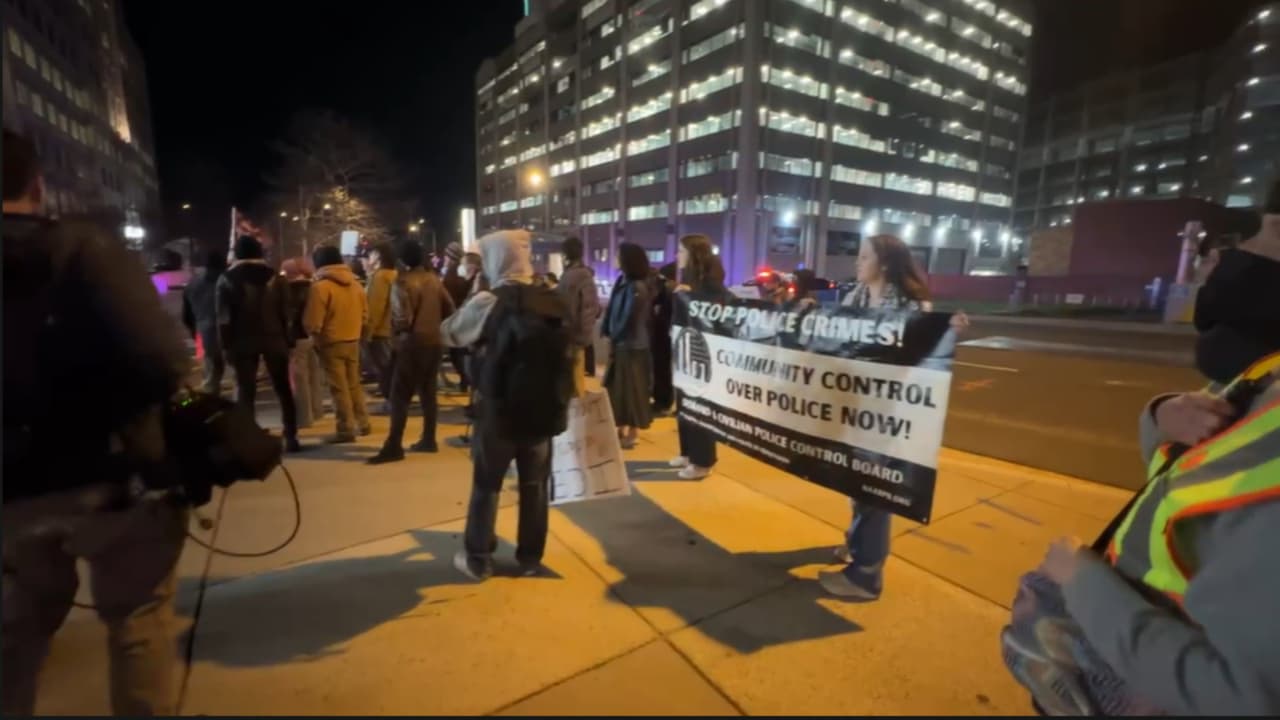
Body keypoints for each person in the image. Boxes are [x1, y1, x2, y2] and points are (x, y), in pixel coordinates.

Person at [1017, 179, 1280, 715]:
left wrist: (1083, 582)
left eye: (1270, 229)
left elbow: (1245, 697)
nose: (1240, 253)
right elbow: (1186, 471)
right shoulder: (1264, 371)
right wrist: (1161, 416)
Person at [3, 129, 192, 716]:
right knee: (138, 620)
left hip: (11, 491)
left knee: (14, 633)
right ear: (37, 186)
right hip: (112, 479)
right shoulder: (86, 250)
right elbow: (164, 360)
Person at [442, 229, 574, 580]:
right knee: (534, 486)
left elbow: (450, 332)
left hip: (498, 410)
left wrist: (474, 294)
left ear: (496, 260)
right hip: (543, 409)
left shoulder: (488, 300)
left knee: (487, 484)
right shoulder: (552, 299)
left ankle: (478, 557)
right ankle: (530, 558)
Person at [820, 234, 933, 600]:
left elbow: (920, 357)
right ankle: (858, 545)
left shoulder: (911, 306)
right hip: (853, 404)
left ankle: (867, 574)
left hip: (886, 411)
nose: (857, 261)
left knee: (873, 488)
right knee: (856, 485)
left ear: (884, 263)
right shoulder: (855, 297)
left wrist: (949, 331)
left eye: (864, 256)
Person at [368, 240, 456, 464]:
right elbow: (450, 308)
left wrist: (396, 334)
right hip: (434, 343)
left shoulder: (402, 282)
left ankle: (394, 444)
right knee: (428, 392)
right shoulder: (434, 280)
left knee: (400, 395)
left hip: (410, 345)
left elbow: (402, 319)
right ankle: (428, 438)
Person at [217, 235, 301, 453]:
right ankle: (291, 435)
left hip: (242, 341)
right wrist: (289, 341)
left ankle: (249, 440)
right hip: (275, 339)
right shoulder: (277, 278)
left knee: (246, 391)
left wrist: (226, 346)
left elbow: (224, 318)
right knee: (283, 389)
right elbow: (287, 313)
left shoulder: (226, 279)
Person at [669, 233, 728, 480]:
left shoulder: (710, 287)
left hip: (700, 357)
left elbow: (715, 316)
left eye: (681, 251)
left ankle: (703, 460)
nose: (677, 256)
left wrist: (691, 297)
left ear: (694, 255)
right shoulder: (688, 282)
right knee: (684, 405)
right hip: (683, 353)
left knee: (699, 408)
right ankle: (688, 452)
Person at [304, 244, 371, 443]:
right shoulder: (356, 284)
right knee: (353, 384)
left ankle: (345, 429)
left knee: (338, 388)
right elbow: (365, 315)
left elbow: (313, 321)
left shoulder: (320, 288)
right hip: (353, 339)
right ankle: (363, 422)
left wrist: (312, 334)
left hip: (330, 342)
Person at [602, 243, 655, 450]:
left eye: (618, 255)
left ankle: (633, 431)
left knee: (632, 391)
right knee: (618, 390)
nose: (615, 258)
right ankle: (620, 427)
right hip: (622, 344)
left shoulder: (637, 287)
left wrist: (614, 336)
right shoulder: (622, 282)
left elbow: (629, 318)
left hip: (632, 346)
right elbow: (612, 312)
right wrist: (607, 331)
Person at [282, 257, 327, 428]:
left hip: (297, 337)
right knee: (314, 374)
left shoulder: (289, 290)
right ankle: (317, 410)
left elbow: (289, 317)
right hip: (312, 336)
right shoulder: (314, 287)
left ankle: (304, 417)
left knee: (299, 379)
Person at [557, 235, 601, 398]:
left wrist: (583, 338)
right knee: (570, 380)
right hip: (568, 335)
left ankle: (579, 417)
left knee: (576, 382)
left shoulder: (580, 275)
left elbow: (589, 308)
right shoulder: (573, 274)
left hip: (574, 336)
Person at [183, 248, 228, 394]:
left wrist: (194, 331)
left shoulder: (193, 284)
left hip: (204, 329)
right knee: (237, 371)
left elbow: (187, 314)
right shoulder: (227, 280)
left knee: (211, 369)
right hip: (228, 329)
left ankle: (212, 400)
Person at [364, 242, 398, 402]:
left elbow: (375, 307)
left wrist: (368, 332)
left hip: (381, 332)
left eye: (370, 254)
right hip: (393, 330)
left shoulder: (380, 277)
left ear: (378, 256)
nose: (368, 258)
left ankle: (391, 402)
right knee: (392, 368)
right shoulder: (394, 275)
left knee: (385, 370)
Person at [442, 242, 473, 392]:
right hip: (466, 315)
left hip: (454, 316)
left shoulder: (451, 273)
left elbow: (446, 297)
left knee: (456, 351)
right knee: (464, 351)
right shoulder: (464, 270)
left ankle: (465, 380)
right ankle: (466, 380)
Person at [650, 262, 677, 415]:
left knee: (665, 371)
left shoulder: (677, 293)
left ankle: (664, 402)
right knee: (660, 369)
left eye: (666, 280)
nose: (665, 283)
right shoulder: (665, 291)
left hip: (667, 336)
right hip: (661, 334)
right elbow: (654, 301)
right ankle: (660, 400)